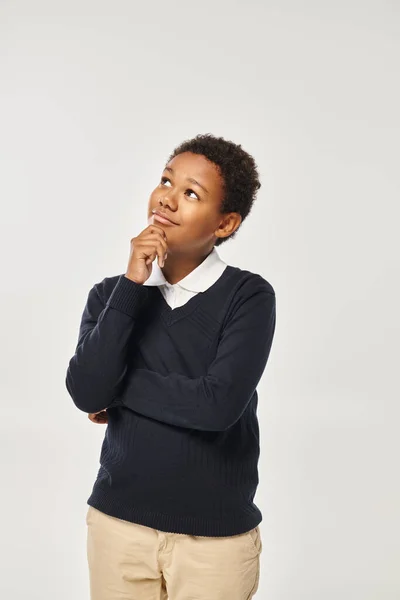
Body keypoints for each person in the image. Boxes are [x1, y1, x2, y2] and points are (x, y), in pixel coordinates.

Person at [65, 133, 276, 600]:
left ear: (225, 223)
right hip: (117, 529)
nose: (167, 197)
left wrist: (117, 390)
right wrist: (131, 284)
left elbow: (216, 406)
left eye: (191, 193)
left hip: (213, 542)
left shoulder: (248, 298)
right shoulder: (111, 296)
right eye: (166, 180)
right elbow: (85, 391)